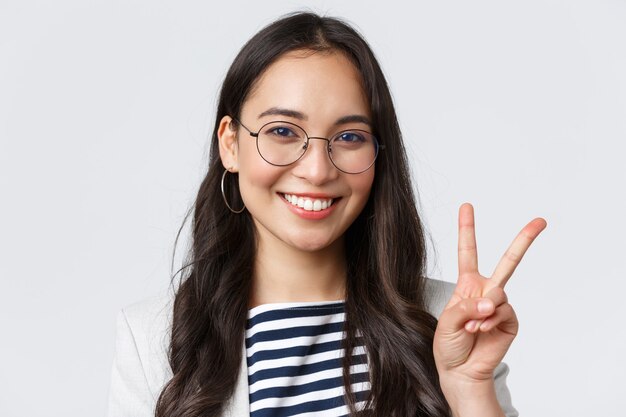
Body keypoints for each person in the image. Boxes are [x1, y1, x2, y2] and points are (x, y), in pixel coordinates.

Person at [106, 11, 546, 417]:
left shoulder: (444, 322)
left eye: (350, 137)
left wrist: (469, 387)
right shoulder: (153, 340)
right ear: (230, 143)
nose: (317, 170)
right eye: (282, 131)